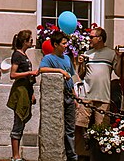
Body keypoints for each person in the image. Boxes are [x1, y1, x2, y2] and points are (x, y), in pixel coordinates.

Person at [38, 31, 76, 161]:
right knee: (56, 127)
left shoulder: (67, 58)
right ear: (55, 44)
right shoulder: (48, 58)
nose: (66, 46)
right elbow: (42, 69)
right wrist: (59, 71)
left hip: (69, 95)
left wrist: (75, 95)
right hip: (58, 96)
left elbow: (72, 75)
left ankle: (71, 155)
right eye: (63, 43)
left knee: (70, 128)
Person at [77, 26, 113, 138]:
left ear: (100, 38)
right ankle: (80, 150)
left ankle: (99, 149)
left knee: (102, 130)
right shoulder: (87, 54)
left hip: (103, 96)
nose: (89, 39)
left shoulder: (111, 54)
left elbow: (118, 72)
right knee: (79, 126)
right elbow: (81, 74)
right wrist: (80, 64)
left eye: (91, 37)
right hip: (86, 95)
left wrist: (120, 58)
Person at [5, 31, 36, 161]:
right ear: (24, 42)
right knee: (18, 122)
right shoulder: (17, 55)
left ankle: (17, 154)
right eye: (30, 40)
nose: (32, 42)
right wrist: (29, 73)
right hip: (20, 90)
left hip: (26, 90)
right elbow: (13, 74)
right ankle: (15, 155)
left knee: (21, 123)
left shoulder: (24, 55)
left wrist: (32, 93)